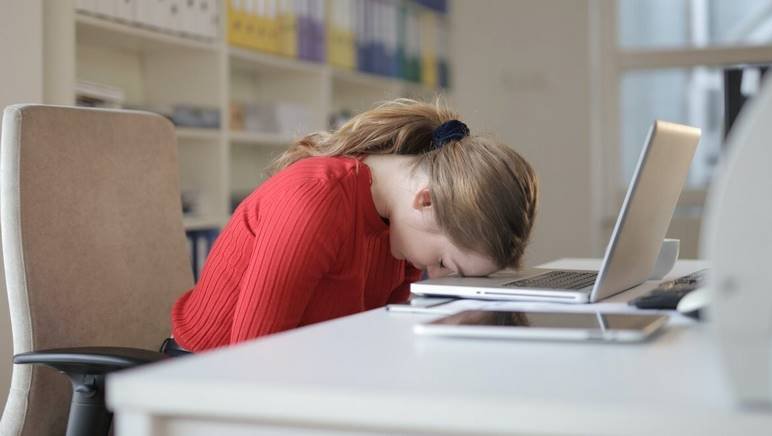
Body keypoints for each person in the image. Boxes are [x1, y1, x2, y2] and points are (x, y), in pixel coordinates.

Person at [170, 98, 538, 352]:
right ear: (426, 201)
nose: (436, 277)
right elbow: (253, 362)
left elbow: (375, 338)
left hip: (303, 372)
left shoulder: (403, 229)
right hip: (203, 379)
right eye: (445, 264)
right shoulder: (315, 199)